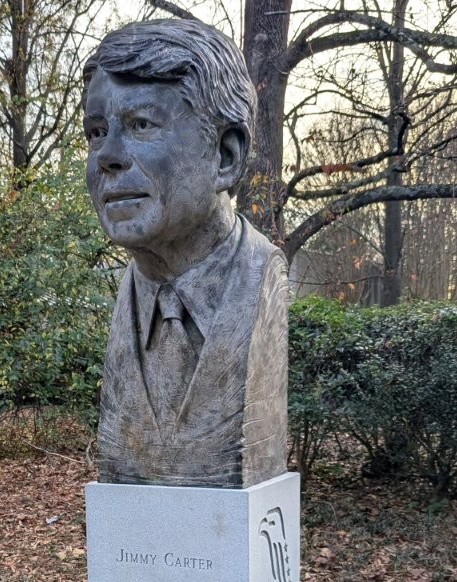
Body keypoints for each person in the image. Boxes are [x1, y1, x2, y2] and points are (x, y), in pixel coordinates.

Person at [83, 18, 288, 488]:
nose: (107, 156)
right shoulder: (126, 299)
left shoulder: (259, 280)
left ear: (225, 156)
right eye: (96, 132)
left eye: (141, 125)